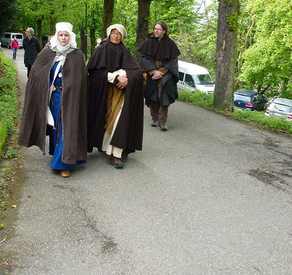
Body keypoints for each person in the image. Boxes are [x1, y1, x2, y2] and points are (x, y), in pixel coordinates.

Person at [18, 22, 88, 178]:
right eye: (61, 35)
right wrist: (49, 86)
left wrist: (71, 87)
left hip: (71, 99)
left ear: (71, 37)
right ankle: (58, 154)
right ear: (57, 36)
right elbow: (37, 74)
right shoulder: (48, 52)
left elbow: (82, 80)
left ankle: (64, 163)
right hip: (54, 98)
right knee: (57, 127)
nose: (63, 38)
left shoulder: (77, 55)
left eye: (66, 35)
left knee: (67, 128)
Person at [87, 24, 144, 169]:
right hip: (103, 92)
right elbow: (94, 72)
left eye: (119, 33)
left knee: (119, 120)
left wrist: (127, 79)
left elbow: (137, 71)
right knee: (105, 120)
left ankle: (115, 154)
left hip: (121, 94)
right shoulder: (101, 49)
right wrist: (115, 77)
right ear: (109, 34)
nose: (116, 36)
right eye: (113, 32)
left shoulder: (125, 51)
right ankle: (104, 145)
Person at [138, 21, 180, 131]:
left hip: (166, 73)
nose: (156, 31)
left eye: (159, 29)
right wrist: (153, 71)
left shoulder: (170, 44)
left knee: (164, 97)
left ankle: (163, 122)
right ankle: (154, 118)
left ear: (164, 31)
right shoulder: (148, 43)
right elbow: (143, 59)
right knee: (153, 96)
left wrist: (161, 71)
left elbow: (173, 60)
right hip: (152, 73)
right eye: (155, 28)